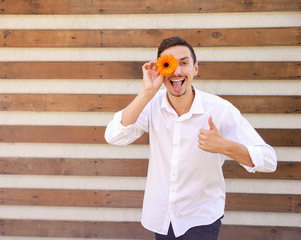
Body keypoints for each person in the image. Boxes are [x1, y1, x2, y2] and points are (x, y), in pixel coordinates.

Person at [104, 36, 277, 240]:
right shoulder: (151, 104)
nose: (177, 71)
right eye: (169, 64)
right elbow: (113, 136)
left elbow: (269, 160)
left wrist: (225, 146)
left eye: (184, 63)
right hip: (163, 217)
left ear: (195, 69)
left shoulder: (220, 110)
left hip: (201, 217)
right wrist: (147, 92)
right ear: (161, 70)